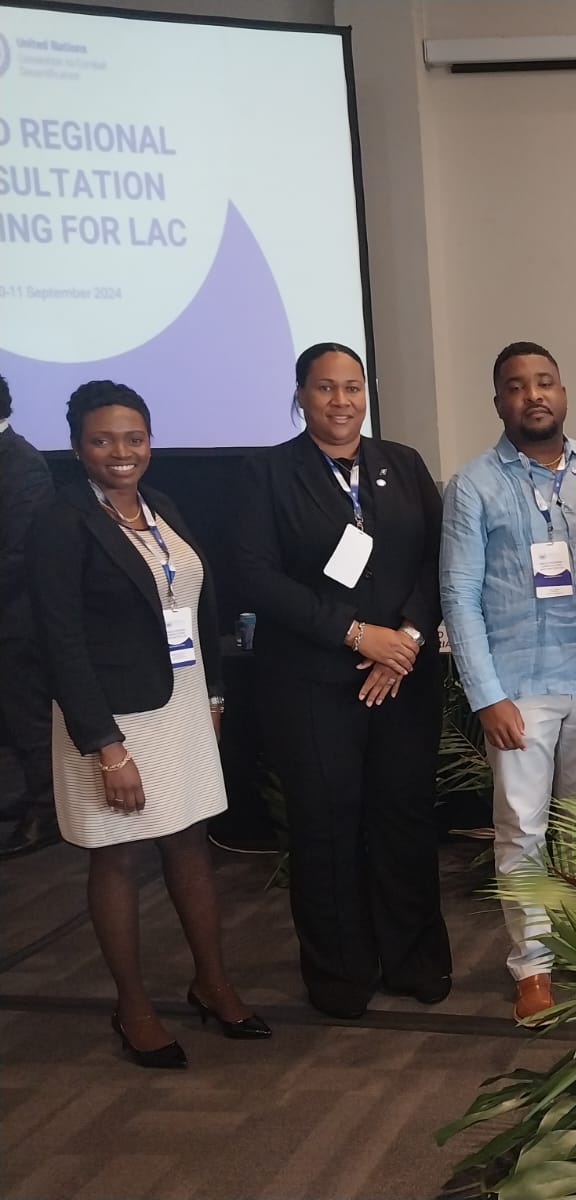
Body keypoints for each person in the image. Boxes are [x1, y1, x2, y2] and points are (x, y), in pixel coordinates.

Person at [29, 381, 269, 1068]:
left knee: (190, 844)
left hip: (184, 704)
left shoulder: (162, 508)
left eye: (133, 438)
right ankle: (132, 1007)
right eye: (103, 440)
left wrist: (216, 699)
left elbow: (199, 607)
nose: (121, 452)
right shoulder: (61, 521)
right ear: (78, 448)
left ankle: (212, 983)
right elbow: (59, 641)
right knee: (118, 854)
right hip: (113, 722)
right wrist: (106, 747)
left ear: (150, 442)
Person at [235, 342, 451, 1020]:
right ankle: (339, 975)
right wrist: (358, 636)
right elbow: (254, 576)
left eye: (352, 387)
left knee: (405, 819)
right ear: (300, 395)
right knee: (326, 827)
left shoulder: (403, 464)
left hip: (404, 678)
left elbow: (438, 559)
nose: (341, 401)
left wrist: (406, 640)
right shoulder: (266, 473)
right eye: (325, 388)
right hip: (311, 682)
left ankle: (414, 960)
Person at [441, 341, 576, 1022]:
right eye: (517, 387)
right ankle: (534, 966)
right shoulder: (474, 484)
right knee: (521, 828)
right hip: (516, 687)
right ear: (499, 403)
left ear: (563, 392)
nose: (534, 395)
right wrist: (486, 694)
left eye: (545, 382)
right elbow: (458, 595)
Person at [0, 373, 58, 858]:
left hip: (17, 617)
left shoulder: (22, 465)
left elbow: (19, 554)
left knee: (27, 716)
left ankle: (47, 809)